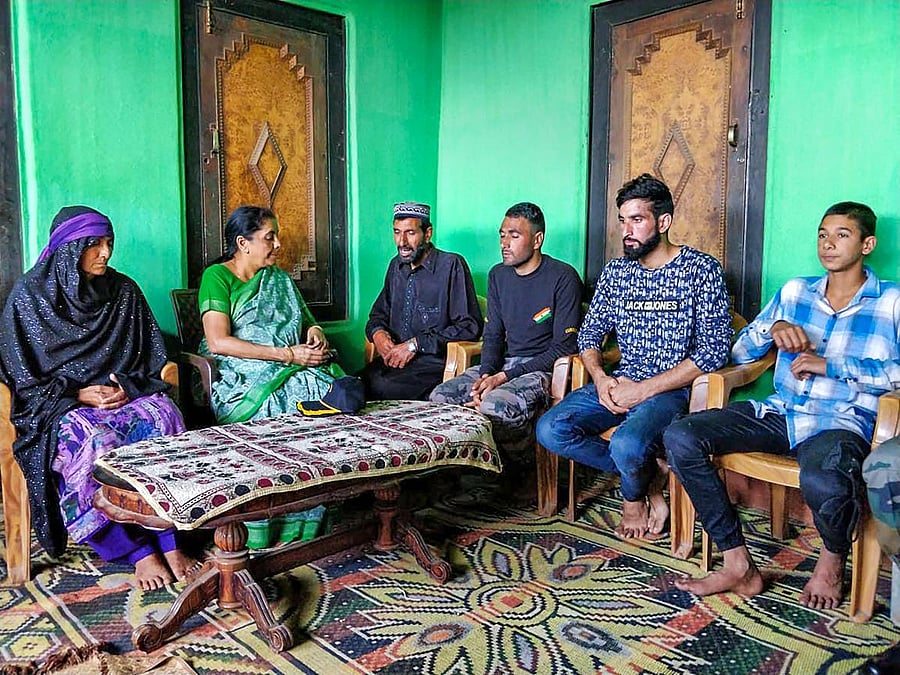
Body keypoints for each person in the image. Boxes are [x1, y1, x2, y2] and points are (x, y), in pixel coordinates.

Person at [664, 201, 900, 609]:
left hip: (840, 421)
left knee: (824, 480)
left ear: (868, 244)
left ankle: (830, 561)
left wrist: (833, 365)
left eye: (841, 235)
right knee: (682, 436)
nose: (828, 244)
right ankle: (738, 562)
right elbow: (739, 353)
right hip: (781, 413)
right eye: (823, 235)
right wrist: (772, 329)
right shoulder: (795, 291)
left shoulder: (892, 302)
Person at [0, 205, 193, 590]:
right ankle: (136, 550)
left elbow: (151, 358)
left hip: (120, 394)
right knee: (90, 439)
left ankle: (171, 540)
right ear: (68, 249)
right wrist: (76, 394)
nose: (105, 252)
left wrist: (128, 387)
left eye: (108, 243)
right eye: (94, 244)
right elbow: (20, 376)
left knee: (164, 415)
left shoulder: (123, 291)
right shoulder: (30, 296)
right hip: (58, 404)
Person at [536, 174, 731, 539]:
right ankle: (650, 478)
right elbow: (591, 333)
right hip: (619, 380)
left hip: (669, 390)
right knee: (550, 429)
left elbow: (714, 350)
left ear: (664, 221)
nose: (627, 230)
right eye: (623, 220)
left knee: (627, 444)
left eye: (637, 220)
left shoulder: (700, 270)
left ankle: (634, 497)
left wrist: (643, 391)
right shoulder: (617, 272)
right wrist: (601, 377)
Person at [430, 202, 582, 458]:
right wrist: (487, 375)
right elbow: (493, 335)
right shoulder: (498, 275)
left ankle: (520, 475)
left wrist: (505, 377)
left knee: (495, 405)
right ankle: (465, 472)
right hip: (501, 366)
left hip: (538, 369)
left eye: (514, 235)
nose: (504, 243)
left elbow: (566, 345)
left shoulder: (563, 277)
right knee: (440, 397)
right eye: (502, 235)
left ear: (537, 239)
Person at [198, 205, 343, 424]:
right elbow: (218, 342)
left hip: (291, 361)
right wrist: (289, 355)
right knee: (281, 399)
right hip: (240, 365)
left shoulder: (278, 278)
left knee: (329, 388)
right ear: (243, 243)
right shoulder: (216, 276)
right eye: (269, 237)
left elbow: (306, 320)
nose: (278, 244)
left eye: (276, 236)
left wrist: (316, 331)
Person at [362, 201, 483, 400]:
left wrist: (415, 345)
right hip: (394, 361)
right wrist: (378, 334)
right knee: (351, 382)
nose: (401, 242)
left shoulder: (452, 265)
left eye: (410, 233)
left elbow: (470, 326)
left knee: (378, 388)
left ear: (427, 234)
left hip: (432, 363)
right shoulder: (396, 267)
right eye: (396, 232)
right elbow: (378, 314)